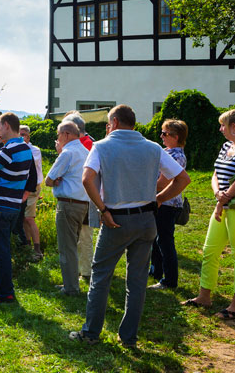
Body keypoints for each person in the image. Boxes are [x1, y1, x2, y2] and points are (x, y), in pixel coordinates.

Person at [69, 105, 190, 348]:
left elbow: (86, 179)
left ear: (113, 122)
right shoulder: (153, 147)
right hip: (147, 220)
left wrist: (103, 209)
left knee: (101, 277)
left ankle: (91, 332)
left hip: (116, 219)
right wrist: (159, 200)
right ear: (133, 123)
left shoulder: (102, 146)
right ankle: (129, 338)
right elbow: (183, 179)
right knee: (136, 282)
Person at [184, 109, 235, 319]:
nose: (220, 129)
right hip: (222, 206)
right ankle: (204, 296)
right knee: (209, 251)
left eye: (223, 125)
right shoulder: (226, 146)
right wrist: (217, 194)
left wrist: (223, 198)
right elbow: (215, 172)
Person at [0, 112, 32, 303]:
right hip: (13, 205)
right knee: (3, 247)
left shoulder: (7, 150)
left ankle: (4, 293)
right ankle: (5, 289)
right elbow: (13, 174)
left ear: (6, 125)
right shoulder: (24, 148)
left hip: (0, 204)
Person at [45, 121, 91, 296]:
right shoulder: (86, 152)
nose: (57, 138)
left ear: (65, 134)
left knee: (67, 246)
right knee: (73, 244)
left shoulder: (68, 153)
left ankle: (70, 287)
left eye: (58, 135)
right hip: (83, 204)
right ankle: (71, 283)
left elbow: (49, 179)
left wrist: (56, 180)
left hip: (68, 204)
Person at [149, 119, 188, 290]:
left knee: (165, 242)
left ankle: (169, 280)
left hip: (167, 203)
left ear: (175, 136)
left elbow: (163, 183)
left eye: (165, 133)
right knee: (156, 240)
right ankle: (156, 271)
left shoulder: (177, 156)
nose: (161, 136)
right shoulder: (167, 152)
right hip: (161, 202)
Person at [62, 111, 96, 281]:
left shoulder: (87, 144)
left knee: (84, 235)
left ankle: (87, 271)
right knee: (77, 236)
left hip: (85, 197)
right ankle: (78, 270)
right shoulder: (80, 144)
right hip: (80, 196)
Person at [19, 125, 44, 261]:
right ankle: (27, 246)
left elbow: (29, 164)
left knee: (29, 218)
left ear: (28, 137)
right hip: (23, 187)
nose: (21, 137)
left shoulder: (34, 150)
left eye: (23, 135)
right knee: (23, 218)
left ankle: (37, 248)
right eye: (19, 134)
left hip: (33, 187)